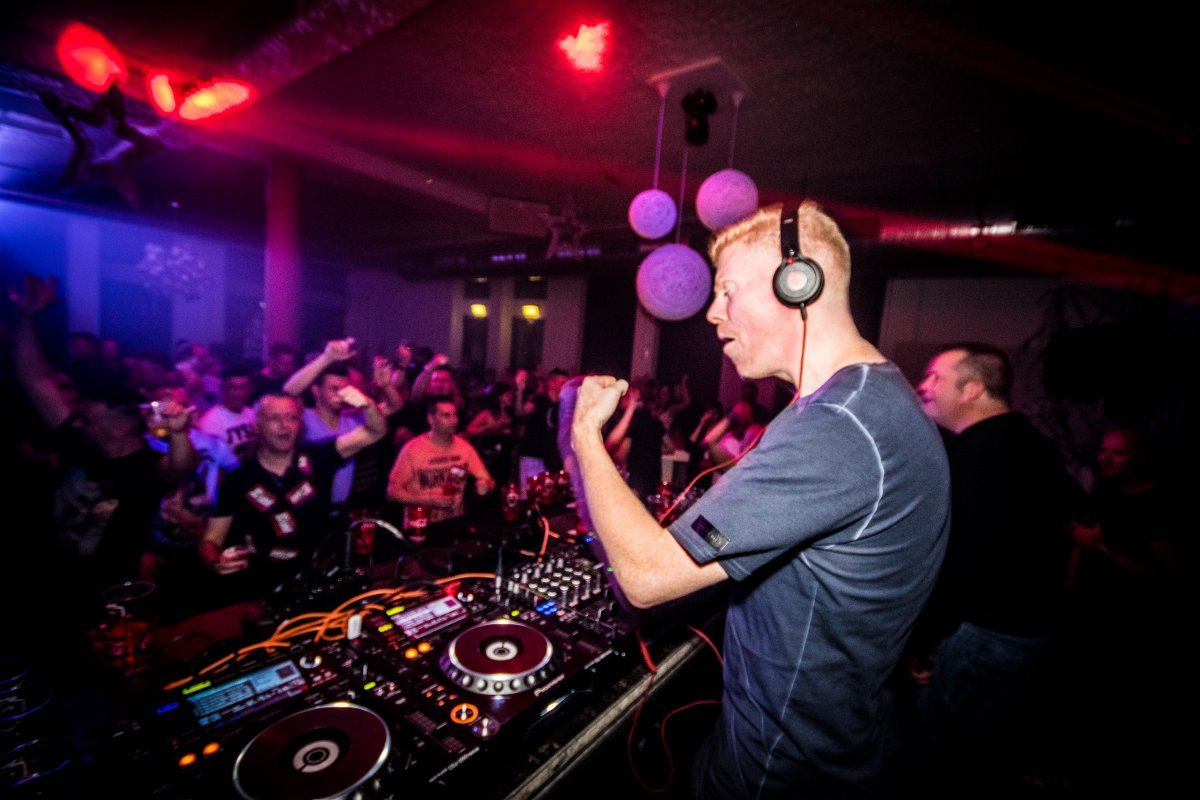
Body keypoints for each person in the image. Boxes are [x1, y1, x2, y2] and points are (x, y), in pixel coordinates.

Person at [570, 202, 950, 797]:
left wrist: (584, 437)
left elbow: (644, 577)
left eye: (727, 291)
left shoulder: (839, 426)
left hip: (783, 768)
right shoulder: (868, 400)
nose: (712, 313)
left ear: (799, 282)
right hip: (824, 741)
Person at [908, 342, 1082, 789]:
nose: (922, 386)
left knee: (935, 757)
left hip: (982, 633)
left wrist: (924, 641)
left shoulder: (981, 456)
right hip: (1028, 629)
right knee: (983, 752)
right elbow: (1071, 517)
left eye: (935, 377)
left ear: (973, 389)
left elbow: (963, 563)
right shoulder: (1031, 443)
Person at [199, 389, 385, 597]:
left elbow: (374, 432)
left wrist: (368, 405)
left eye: (292, 418)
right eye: (274, 418)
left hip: (321, 575)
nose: (284, 425)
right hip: (265, 587)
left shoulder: (319, 456)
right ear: (257, 426)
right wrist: (215, 562)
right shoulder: (238, 479)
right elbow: (211, 540)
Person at [387, 396, 495, 529]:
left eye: (455, 415)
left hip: (455, 522)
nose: (453, 420)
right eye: (446, 415)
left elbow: (488, 480)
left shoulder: (464, 448)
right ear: (431, 419)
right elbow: (392, 493)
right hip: (420, 525)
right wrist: (428, 500)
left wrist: (484, 485)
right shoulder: (412, 449)